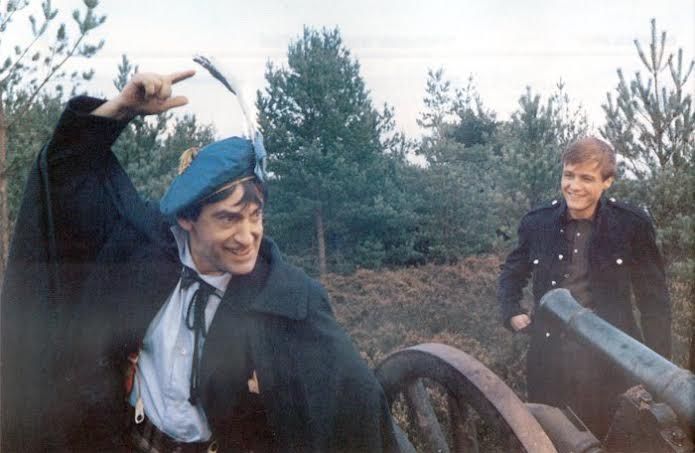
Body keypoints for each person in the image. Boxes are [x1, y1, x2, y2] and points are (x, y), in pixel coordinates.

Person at [1, 70, 401, 452]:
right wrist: (120, 110)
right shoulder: (141, 250)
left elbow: (356, 404)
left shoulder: (289, 299)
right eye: (228, 218)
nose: (247, 237)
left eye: (255, 216)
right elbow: (65, 173)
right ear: (187, 218)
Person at [497, 136, 672, 437]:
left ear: (607, 182)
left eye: (586, 178)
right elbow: (512, 272)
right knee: (551, 438)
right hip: (550, 360)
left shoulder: (632, 225)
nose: (574, 186)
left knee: (613, 438)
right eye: (569, 175)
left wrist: (657, 372)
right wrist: (511, 310)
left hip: (613, 361)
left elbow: (654, 302)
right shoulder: (536, 223)